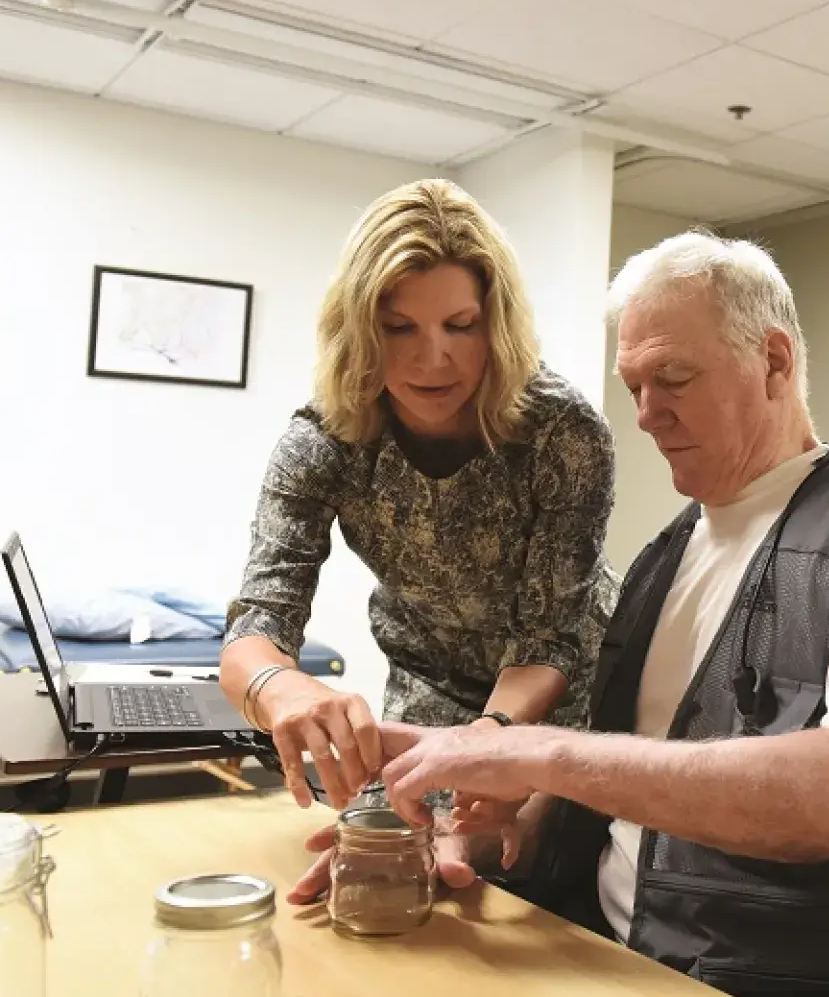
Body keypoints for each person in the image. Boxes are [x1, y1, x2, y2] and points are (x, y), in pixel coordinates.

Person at [373, 231, 829, 995]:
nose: (647, 415)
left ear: (775, 361)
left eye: (674, 378)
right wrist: (496, 827)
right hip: (596, 950)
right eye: (634, 385)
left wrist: (542, 754)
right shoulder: (665, 555)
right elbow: (638, 790)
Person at [217, 178, 617, 899]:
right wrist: (283, 689)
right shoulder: (323, 441)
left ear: (493, 322)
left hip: (567, 697)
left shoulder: (562, 432)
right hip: (430, 683)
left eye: (460, 326)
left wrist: (490, 743)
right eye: (401, 329)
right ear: (361, 328)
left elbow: (549, 642)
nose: (434, 358)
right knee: (393, 869)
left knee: (536, 886)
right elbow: (255, 629)